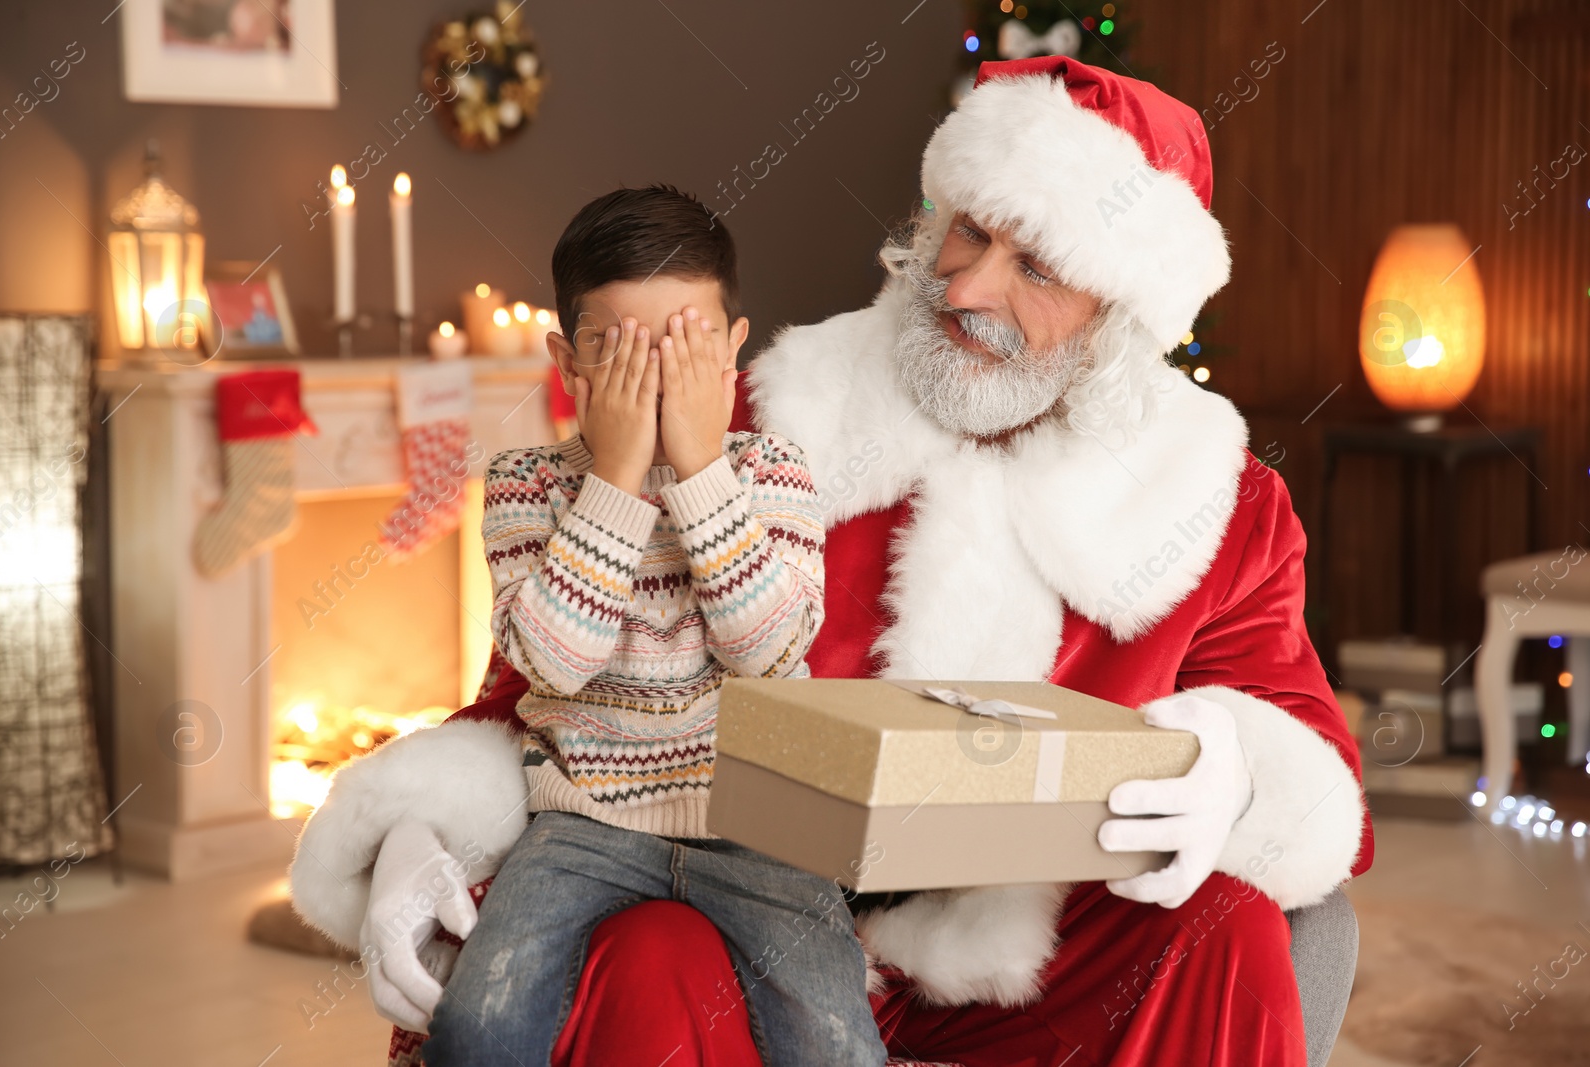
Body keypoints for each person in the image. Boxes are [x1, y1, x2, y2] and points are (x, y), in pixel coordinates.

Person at [292, 57, 1373, 1067]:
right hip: (734, 894)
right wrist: (421, 824)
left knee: (1220, 928)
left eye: (1035, 265)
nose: (967, 289)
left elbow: (1299, 736)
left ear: (1118, 320)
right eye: (967, 234)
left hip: (1029, 949)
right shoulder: (754, 417)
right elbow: (538, 682)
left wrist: (1235, 766)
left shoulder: (1217, 501)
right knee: (649, 946)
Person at [406, 186, 881, 1066]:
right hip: (582, 824)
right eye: (618, 350)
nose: (654, 379)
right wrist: (617, 478)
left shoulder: (772, 470)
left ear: (734, 351)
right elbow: (555, 662)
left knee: (837, 1045)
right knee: (476, 1024)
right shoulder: (525, 485)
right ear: (567, 361)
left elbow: (769, 653)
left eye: (685, 347)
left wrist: (701, 467)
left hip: (761, 823)